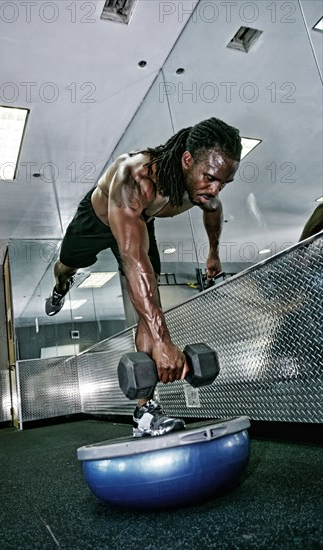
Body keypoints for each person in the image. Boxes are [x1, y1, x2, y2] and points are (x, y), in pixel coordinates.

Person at [46, 117, 242, 437]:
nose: (215, 188)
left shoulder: (199, 186)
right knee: (66, 265)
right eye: (210, 178)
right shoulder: (135, 177)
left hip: (139, 222)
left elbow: (214, 208)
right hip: (96, 222)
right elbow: (132, 258)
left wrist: (214, 253)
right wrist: (164, 342)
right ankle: (60, 287)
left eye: (223, 182)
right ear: (187, 160)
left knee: (150, 309)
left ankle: (144, 413)